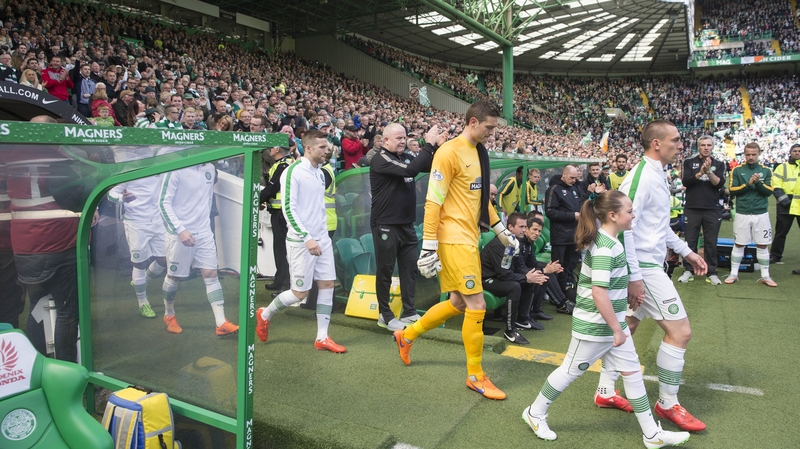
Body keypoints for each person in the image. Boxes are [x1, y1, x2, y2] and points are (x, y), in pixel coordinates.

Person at [523, 190, 691, 449]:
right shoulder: (605, 247)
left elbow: (607, 289)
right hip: (594, 327)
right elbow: (599, 293)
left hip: (609, 325)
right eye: (629, 211)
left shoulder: (609, 242)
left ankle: (652, 434)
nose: (633, 215)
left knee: (632, 374)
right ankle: (534, 413)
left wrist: (621, 316)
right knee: (569, 371)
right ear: (613, 215)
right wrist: (617, 329)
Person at [395, 100, 520, 401]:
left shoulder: (478, 152)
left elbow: (480, 199)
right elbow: (433, 202)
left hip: (469, 238)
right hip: (453, 239)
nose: (492, 133)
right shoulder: (448, 153)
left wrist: (502, 231)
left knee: (458, 303)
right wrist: (428, 246)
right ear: (473, 122)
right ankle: (475, 375)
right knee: (477, 305)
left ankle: (406, 335)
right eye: (489, 127)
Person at [595, 120, 708, 432]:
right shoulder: (642, 177)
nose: (681, 145)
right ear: (656, 143)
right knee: (680, 332)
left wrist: (686, 251)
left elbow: (658, 226)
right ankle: (668, 403)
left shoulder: (658, 173)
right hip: (643, 268)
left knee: (628, 326)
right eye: (675, 140)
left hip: (646, 265)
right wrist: (634, 276)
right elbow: (622, 228)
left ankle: (605, 390)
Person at [255, 130, 346, 353]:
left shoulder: (320, 172)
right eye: (322, 147)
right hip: (301, 241)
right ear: (309, 148)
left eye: (327, 146)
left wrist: (320, 235)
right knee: (299, 293)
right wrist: (307, 237)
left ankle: (322, 337)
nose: (327, 150)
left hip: (322, 238)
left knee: (327, 285)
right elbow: (288, 208)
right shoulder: (293, 171)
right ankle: (265, 314)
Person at [369, 124, 443, 331]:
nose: (403, 141)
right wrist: (428, 144)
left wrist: (439, 147)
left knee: (410, 269)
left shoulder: (405, 157)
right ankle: (385, 314)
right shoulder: (381, 158)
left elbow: (428, 166)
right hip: (386, 224)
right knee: (385, 269)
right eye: (398, 138)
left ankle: (410, 311)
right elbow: (411, 170)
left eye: (404, 138)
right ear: (385, 141)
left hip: (406, 224)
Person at [159, 163, 239, 336]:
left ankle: (221, 322)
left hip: (204, 232)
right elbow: (163, 203)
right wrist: (180, 230)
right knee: (174, 276)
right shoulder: (175, 170)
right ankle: (169, 315)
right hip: (180, 234)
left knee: (211, 274)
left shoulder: (209, 168)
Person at [107, 167, 168, 319]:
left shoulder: (160, 169)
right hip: (136, 222)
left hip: (157, 220)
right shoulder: (128, 171)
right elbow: (111, 194)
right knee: (140, 263)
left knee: (165, 260)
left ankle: (142, 280)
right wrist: (122, 199)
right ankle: (143, 302)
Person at [481, 212, 547, 345]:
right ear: (510, 227)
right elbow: (504, 274)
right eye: (521, 227)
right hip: (487, 280)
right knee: (515, 286)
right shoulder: (499, 244)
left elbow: (519, 265)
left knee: (532, 279)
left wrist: (530, 275)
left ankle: (523, 319)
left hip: (500, 276)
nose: (524, 230)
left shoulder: (511, 242)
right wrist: (525, 277)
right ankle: (510, 331)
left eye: (525, 227)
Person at [725, 142, 776, 287]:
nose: (751, 157)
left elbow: (769, 191)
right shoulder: (737, 170)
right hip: (742, 212)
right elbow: (732, 190)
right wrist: (748, 184)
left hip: (761, 213)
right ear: (744, 154)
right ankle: (733, 274)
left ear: (759, 154)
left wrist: (758, 183)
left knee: (762, 244)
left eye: (753, 154)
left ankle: (765, 275)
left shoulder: (766, 170)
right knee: (739, 243)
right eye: (748, 154)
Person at [678, 135, 726, 285]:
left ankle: (711, 272)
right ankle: (688, 270)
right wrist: (700, 173)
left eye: (709, 145)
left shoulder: (719, 164)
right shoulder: (688, 162)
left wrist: (709, 172)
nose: (706, 148)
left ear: (713, 147)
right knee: (690, 241)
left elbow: (719, 184)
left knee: (711, 243)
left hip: (712, 209)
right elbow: (686, 182)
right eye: (703, 145)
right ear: (698, 147)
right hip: (692, 207)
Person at [545, 165, 582, 302]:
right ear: (564, 174)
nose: (574, 180)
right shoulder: (553, 189)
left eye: (575, 178)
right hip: (560, 236)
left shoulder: (574, 189)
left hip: (574, 235)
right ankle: (557, 297)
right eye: (571, 177)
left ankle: (567, 290)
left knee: (570, 265)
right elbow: (550, 212)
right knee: (558, 266)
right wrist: (572, 216)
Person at [522, 216, 573, 316]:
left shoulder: (529, 242)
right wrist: (544, 269)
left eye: (539, 231)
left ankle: (540, 309)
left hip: (525, 269)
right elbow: (520, 266)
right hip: (519, 273)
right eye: (534, 230)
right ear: (526, 229)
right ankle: (561, 304)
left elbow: (532, 262)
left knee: (549, 271)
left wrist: (550, 267)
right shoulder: (519, 243)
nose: (537, 233)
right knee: (545, 273)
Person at [260, 146, 293, 296]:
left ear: (278, 149)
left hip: (281, 213)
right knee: (278, 248)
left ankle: (285, 284)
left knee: (282, 250)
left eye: (272, 147)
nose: (269, 150)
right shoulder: (282, 164)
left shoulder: (283, 166)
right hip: (278, 212)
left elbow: (272, 188)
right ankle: (280, 279)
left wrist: (257, 199)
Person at [769, 143, 800, 264]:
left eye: (799, 151)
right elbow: (776, 186)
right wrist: (786, 202)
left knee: (780, 232)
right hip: (785, 204)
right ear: (790, 153)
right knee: (780, 233)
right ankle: (775, 255)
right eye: (795, 151)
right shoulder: (782, 167)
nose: (797, 153)